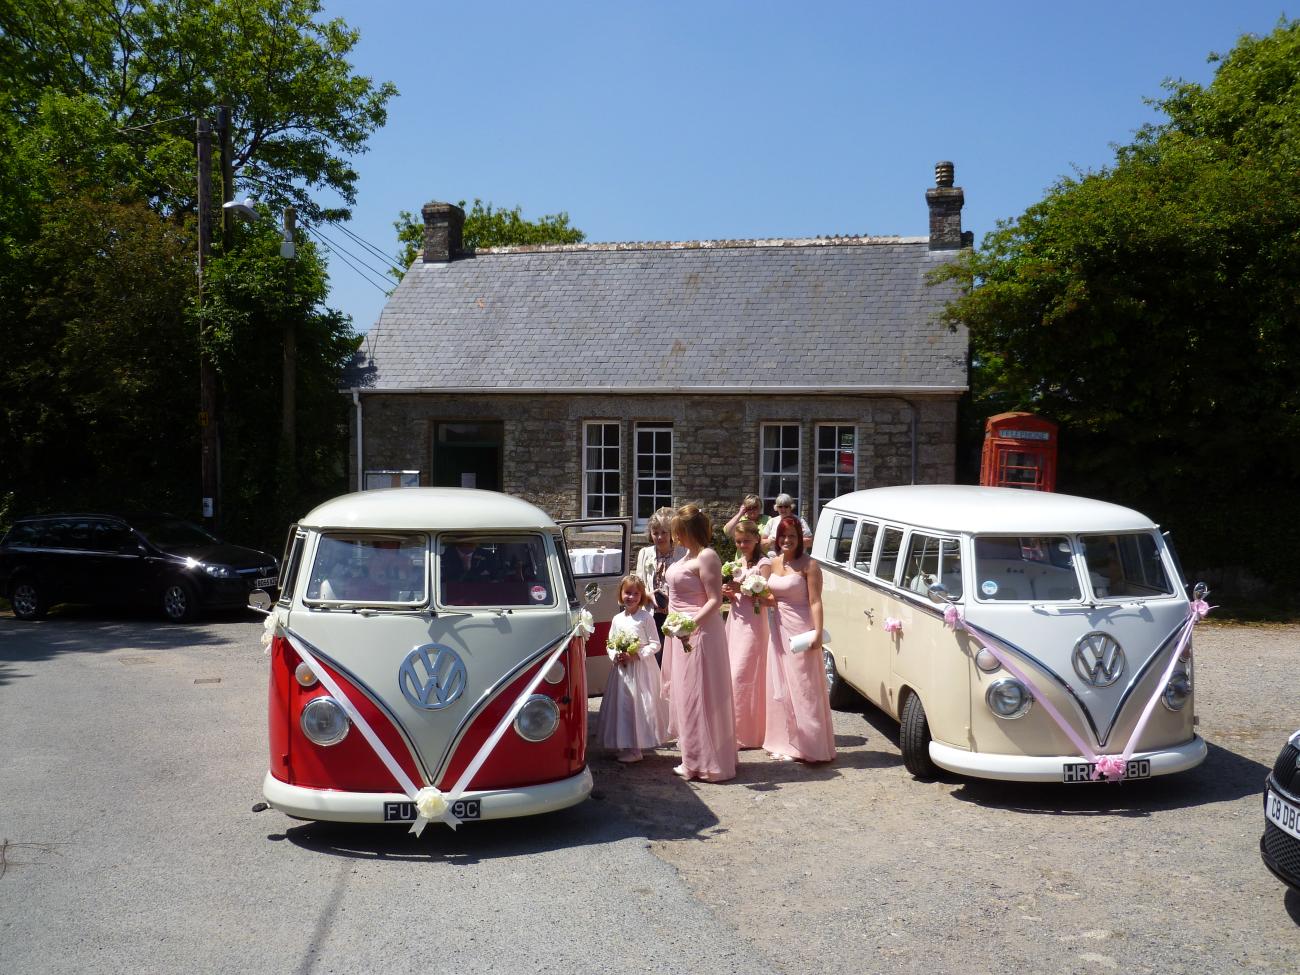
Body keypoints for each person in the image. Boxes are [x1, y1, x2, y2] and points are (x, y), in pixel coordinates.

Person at [663, 504, 737, 782]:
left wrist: (689, 625)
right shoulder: (683, 558)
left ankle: (708, 761)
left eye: (678, 532)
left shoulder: (707, 556)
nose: (675, 537)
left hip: (700, 633)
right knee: (685, 696)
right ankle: (691, 757)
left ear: (688, 531)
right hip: (680, 633)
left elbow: (715, 600)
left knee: (700, 695)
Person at [762, 514, 836, 764]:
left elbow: (815, 601)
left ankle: (810, 745)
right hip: (778, 628)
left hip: (800, 628)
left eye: (792, 536)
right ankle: (785, 741)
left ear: (799, 538)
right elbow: (772, 597)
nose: (786, 540)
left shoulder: (809, 565)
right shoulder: (773, 564)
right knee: (780, 684)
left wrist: (817, 632)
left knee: (804, 686)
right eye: (782, 535)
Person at [595, 575, 669, 763]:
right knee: (624, 705)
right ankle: (626, 743)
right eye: (628, 593)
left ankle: (637, 748)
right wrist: (615, 655)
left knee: (638, 706)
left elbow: (655, 644)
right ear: (621, 594)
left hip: (640, 670)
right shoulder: (617, 618)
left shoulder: (645, 618)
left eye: (636, 594)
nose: (632, 597)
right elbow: (610, 643)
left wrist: (636, 655)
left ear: (642, 596)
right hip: (622, 670)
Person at [721, 517, 769, 750]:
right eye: (739, 542)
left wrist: (744, 590)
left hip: (754, 623)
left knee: (744, 674)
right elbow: (737, 590)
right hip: (736, 620)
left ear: (757, 540)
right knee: (731, 674)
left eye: (746, 541)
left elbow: (767, 597)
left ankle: (749, 733)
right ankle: (735, 730)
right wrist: (730, 593)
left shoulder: (764, 564)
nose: (741, 546)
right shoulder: (738, 561)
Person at [634, 507, 687, 649]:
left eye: (664, 532)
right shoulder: (644, 553)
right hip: (651, 613)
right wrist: (649, 595)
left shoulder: (683, 552)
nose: (659, 537)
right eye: (655, 533)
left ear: (671, 534)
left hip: (676, 613)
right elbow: (638, 585)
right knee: (656, 656)